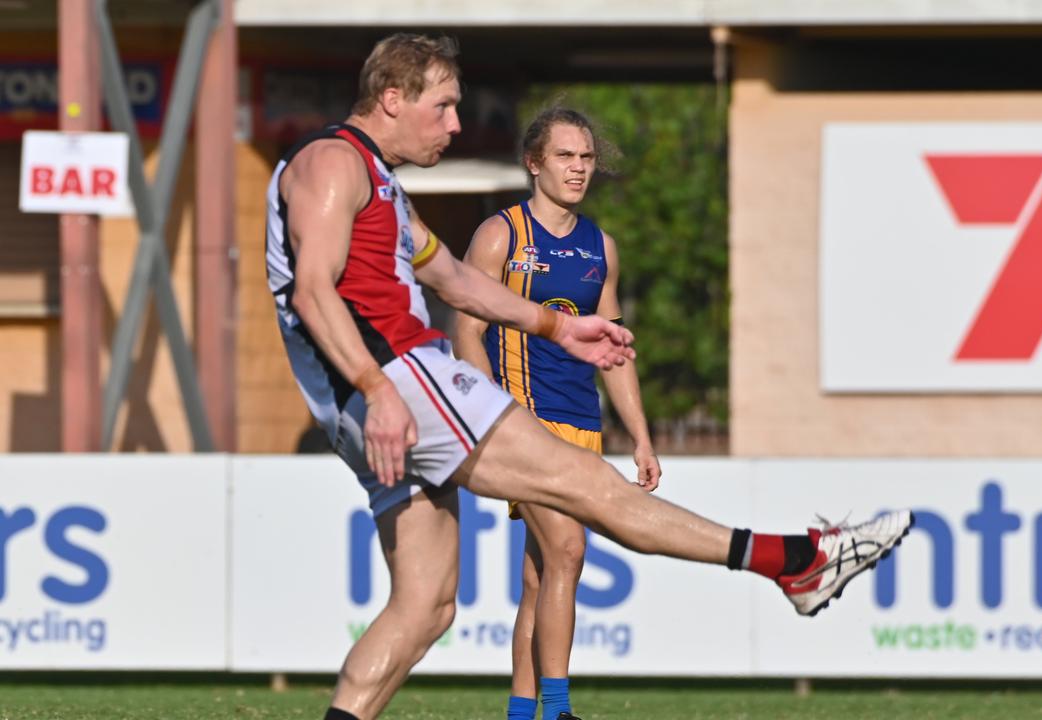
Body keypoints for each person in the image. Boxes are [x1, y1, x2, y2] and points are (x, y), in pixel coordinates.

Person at [264, 33, 914, 720]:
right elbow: (312, 292)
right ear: (393, 99)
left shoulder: (381, 186)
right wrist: (377, 391)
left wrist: (557, 326)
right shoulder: (333, 163)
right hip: (398, 379)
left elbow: (451, 278)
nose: (456, 123)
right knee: (589, 489)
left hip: (371, 397)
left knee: (426, 606)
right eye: (445, 105)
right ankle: (794, 561)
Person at [453, 108, 660, 720]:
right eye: (566, 156)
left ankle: (522, 712)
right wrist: (493, 416)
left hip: (582, 424)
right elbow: (465, 332)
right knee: (569, 551)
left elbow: (614, 354)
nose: (578, 168)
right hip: (525, 421)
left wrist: (641, 438)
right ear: (534, 163)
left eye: (587, 158)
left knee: (544, 577)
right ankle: (560, 708)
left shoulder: (601, 248)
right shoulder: (502, 236)